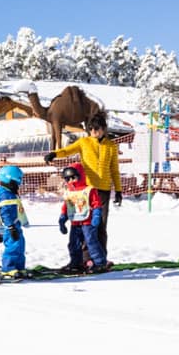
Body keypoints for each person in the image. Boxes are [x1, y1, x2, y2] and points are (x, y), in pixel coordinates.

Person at [44, 111, 121, 261]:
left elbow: (114, 170)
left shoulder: (111, 146)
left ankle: (101, 258)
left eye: (97, 129)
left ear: (103, 129)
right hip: (86, 191)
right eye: (91, 129)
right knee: (86, 224)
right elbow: (67, 150)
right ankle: (87, 258)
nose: (94, 132)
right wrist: (54, 154)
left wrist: (118, 190)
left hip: (103, 190)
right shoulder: (84, 142)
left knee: (101, 226)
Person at [58, 163, 109, 274]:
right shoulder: (69, 192)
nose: (71, 181)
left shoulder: (89, 190)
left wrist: (96, 216)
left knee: (91, 242)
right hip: (75, 223)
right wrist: (62, 219)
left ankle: (100, 263)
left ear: (80, 175)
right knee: (73, 243)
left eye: (73, 177)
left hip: (87, 222)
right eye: (68, 179)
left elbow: (96, 204)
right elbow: (66, 206)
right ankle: (76, 262)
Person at [0, 165, 29, 280]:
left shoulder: (9, 192)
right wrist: (10, 226)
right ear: (9, 181)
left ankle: (19, 267)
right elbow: (4, 212)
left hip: (16, 225)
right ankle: (8, 268)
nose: (18, 185)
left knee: (20, 245)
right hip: (9, 227)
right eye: (16, 182)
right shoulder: (4, 194)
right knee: (12, 246)